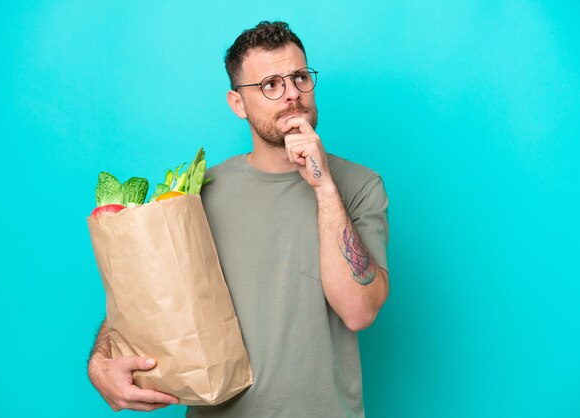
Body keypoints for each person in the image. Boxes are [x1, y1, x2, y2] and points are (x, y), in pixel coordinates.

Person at [87, 21, 390, 417]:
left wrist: (324, 188)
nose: (292, 96)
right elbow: (145, 300)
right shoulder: (199, 193)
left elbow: (359, 310)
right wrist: (100, 361)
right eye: (270, 85)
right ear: (237, 103)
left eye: (300, 78)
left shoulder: (360, 185)